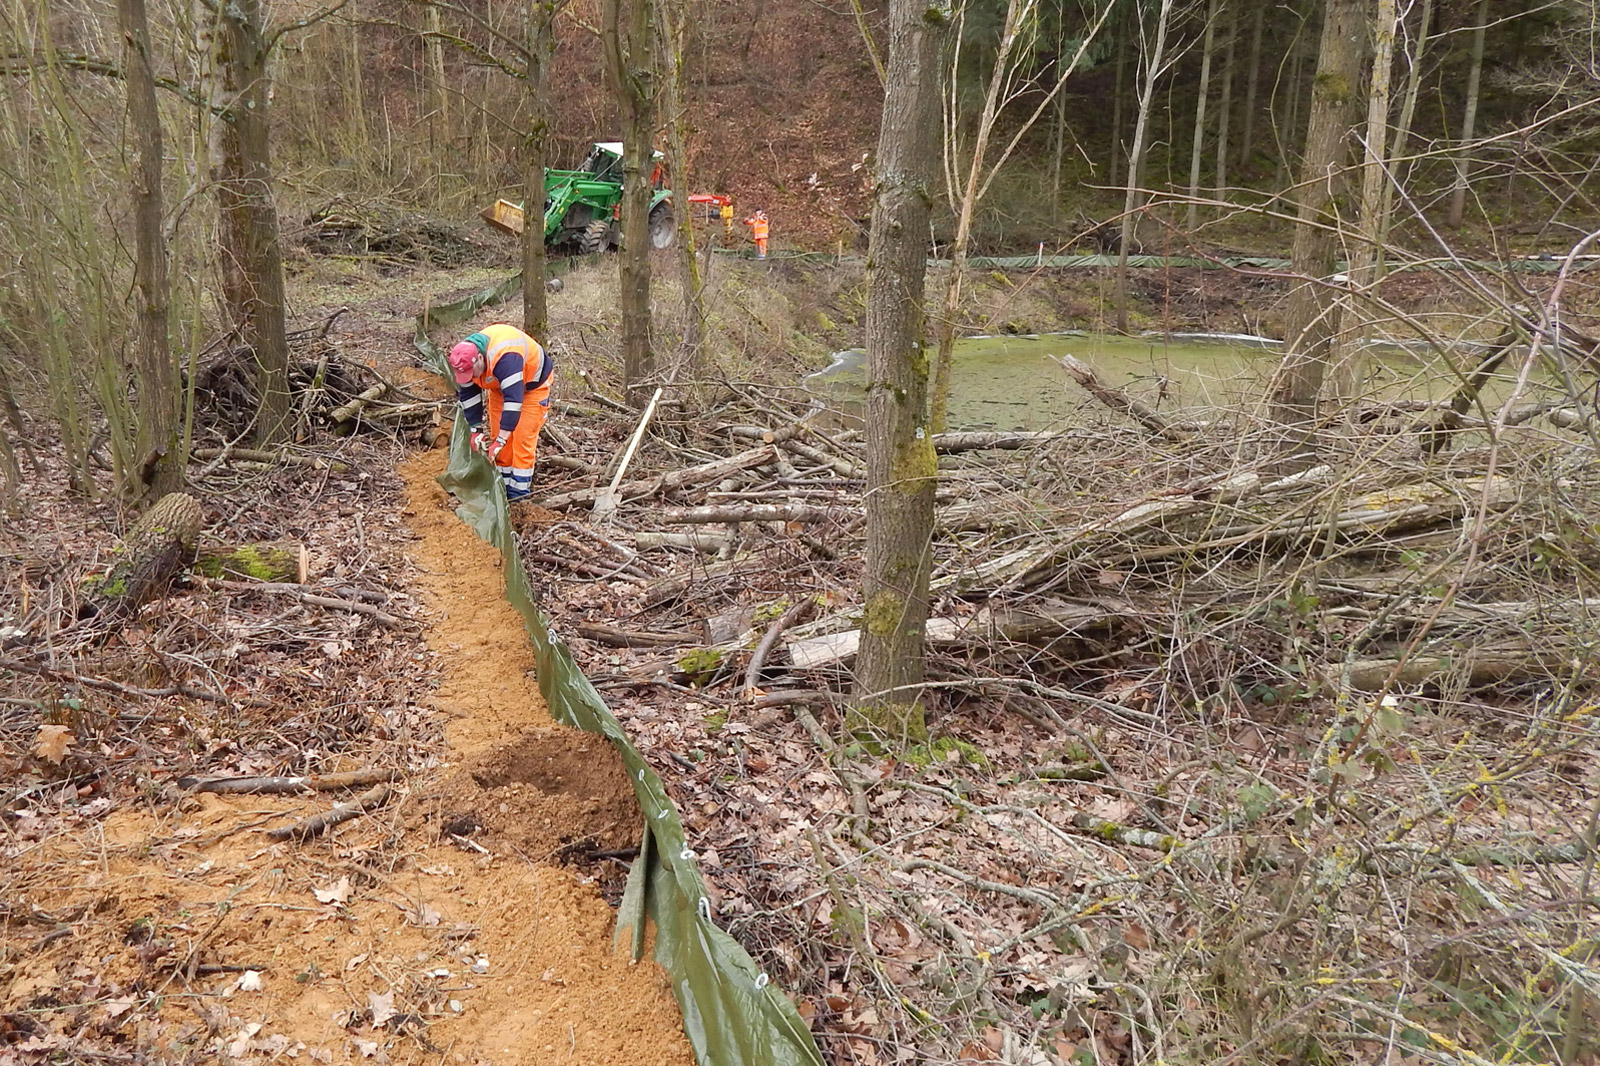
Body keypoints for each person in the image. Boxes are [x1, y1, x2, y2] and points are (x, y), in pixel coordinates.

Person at [448, 324, 553, 502]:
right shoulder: (464, 362)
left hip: (532, 388)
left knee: (521, 440)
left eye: (472, 374)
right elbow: (469, 395)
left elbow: (513, 401)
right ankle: (502, 488)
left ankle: (519, 495)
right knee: (500, 443)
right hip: (498, 387)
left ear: (480, 358)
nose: (471, 378)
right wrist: (475, 429)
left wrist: (501, 439)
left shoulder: (506, 357)